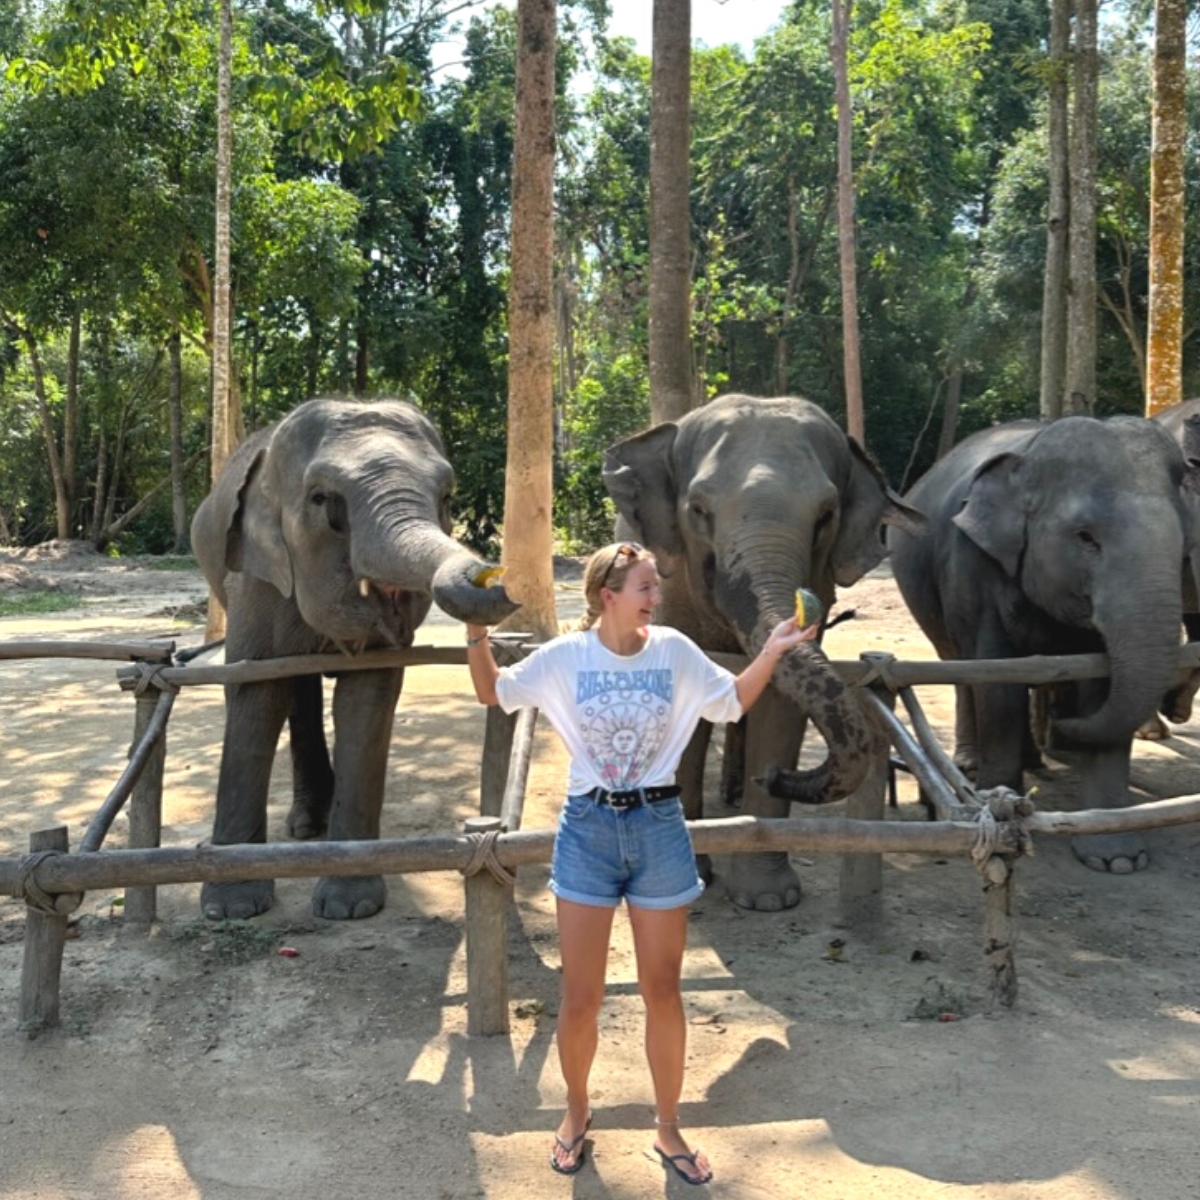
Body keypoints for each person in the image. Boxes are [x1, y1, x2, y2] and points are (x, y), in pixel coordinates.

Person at [465, 542, 814, 1184]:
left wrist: (771, 651)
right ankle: (575, 1113)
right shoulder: (566, 657)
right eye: (646, 588)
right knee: (580, 998)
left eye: (656, 586)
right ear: (609, 596)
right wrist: (476, 628)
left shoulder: (674, 650)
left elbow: (730, 702)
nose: (656, 597)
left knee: (663, 992)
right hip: (588, 832)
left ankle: (669, 1126)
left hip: (659, 828)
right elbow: (493, 692)